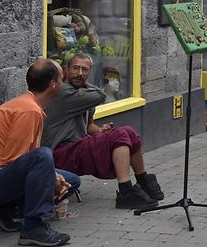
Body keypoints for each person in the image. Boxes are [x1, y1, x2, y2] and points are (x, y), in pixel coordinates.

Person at [0, 59, 78, 247]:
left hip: (1, 179)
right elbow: (15, 161)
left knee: (72, 181)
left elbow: (24, 161)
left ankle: (7, 209)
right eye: (61, 77)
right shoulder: (28, 110)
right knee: (43, 156)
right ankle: (33, 227)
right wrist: (51, 178)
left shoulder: (29, 105)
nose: (63, 81)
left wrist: (52, 177)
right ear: (53, 84)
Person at [43, 53, 165, 209]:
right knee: (119, 135)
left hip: (76, 147)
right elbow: (101, 95)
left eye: (85, 70)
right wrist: (85, 83)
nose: (80, 73)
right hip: (59, 153)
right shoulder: (63, 92)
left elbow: (89, 127)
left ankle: (142, 180)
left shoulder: (85, 95)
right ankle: (126, 191)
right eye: (76, 68)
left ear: (90, 72)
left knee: (128, 131)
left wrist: (101, 130)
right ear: (66, 70)